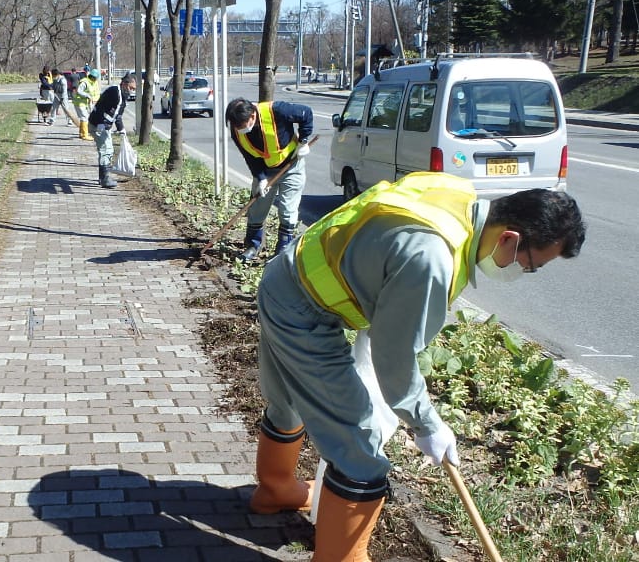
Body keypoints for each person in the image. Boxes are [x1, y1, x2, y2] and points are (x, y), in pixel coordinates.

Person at [248, 172, 586, 561]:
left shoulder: (457, 198)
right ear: (509, 238)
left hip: (288, 276)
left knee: (288, 399)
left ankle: (275, 491)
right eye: (530, 266)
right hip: (302, 310)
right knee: (360, 449)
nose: (524, 274)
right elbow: (395, 359)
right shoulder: (432, 259)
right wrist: (426, 424)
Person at [225, 97, 315, 262]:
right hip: (266, 171)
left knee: (288, 210)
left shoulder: (278, 110)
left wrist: (303, 142)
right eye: (235, 125)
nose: (238, 129)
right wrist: (260, 178)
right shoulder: (237, 131)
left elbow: (306, 113)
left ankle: (283, 250)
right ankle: (252, 245)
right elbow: (249, 157)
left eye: (241, 125)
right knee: (258, 207)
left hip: (292, 165)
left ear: (252, 115)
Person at [88, 73, 136, 189]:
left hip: (104, 126)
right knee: (106, 150)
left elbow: (117, 116)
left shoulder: (122, 98)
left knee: (107, 150)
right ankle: (104, 178)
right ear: (124, 84)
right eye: (131, 88)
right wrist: (100, 122)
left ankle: (102, 177)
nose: (131, 91)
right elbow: (100, 106)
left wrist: (122, 129)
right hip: (97, 124)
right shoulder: (114, 92)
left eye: (134, 89)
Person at [72, 68, 102, 140]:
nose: (95, 79)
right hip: (79, 102)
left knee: (84, 118)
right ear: (92, 76)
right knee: (84, 118)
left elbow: (95, 92)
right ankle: (85, 135)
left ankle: (81, 133)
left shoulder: (93, 83)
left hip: (85, 103)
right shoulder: (85, 82)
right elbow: (79, 91)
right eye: (95, 78)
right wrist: (87, 95)